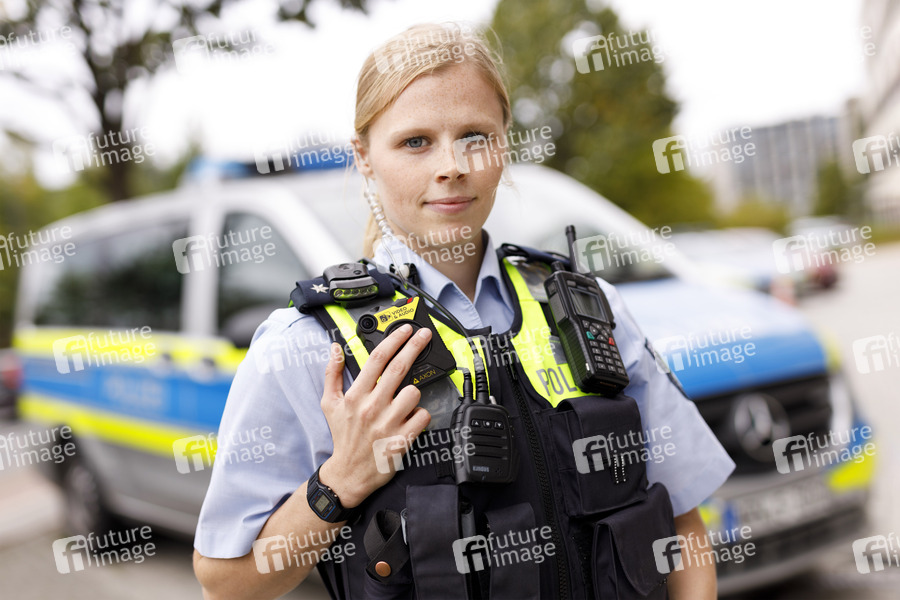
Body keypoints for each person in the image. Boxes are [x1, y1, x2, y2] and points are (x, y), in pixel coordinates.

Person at [193, 22, 734, 600]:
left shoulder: (589, 307)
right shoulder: (306, 343)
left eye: (475, 136)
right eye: (415, 142)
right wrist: (340, 482)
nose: (451, 165)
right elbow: (227, 582)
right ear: (365, 157)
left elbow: (682, 525)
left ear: (504, 144)